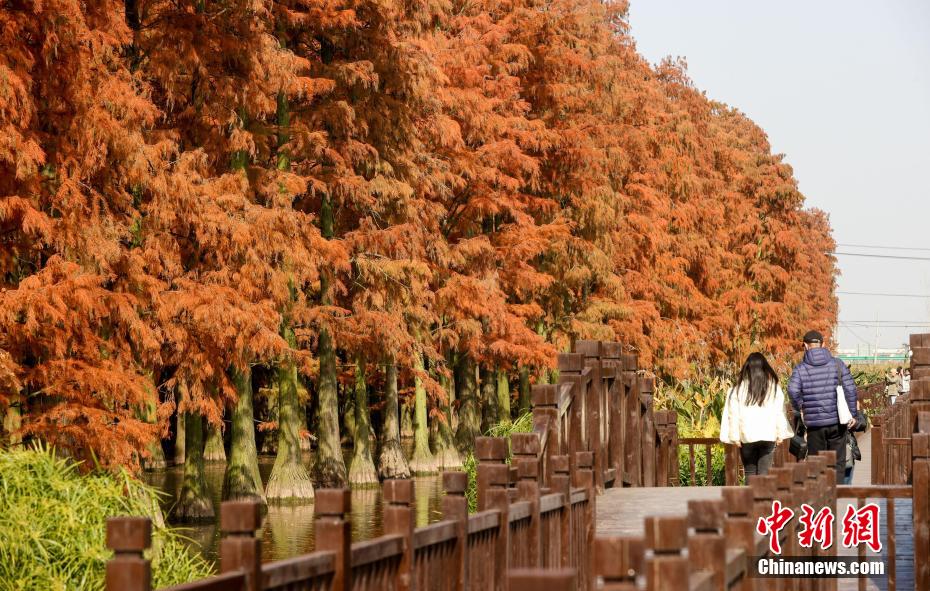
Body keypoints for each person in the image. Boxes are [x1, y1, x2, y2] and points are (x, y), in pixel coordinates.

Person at [788, 330, 858, 481]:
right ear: (823, 344)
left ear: (805, 346)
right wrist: (852, 414)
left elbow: (792, 390)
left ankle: (819, 497)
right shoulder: (837, 364)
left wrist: (801, 406)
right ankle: (837, 495)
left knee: (816, 464)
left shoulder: (800, 369)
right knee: (838, 462)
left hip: (815, 424)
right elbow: (850, 389)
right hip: (837, 421)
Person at [719, 352, 794, 476]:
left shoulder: (737, 390)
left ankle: (750, 496)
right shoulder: (774, 389)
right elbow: (779, 413)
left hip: (747, 437)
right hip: (768, 435)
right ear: (765, 368)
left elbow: (733, 415)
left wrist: (735, 437)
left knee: (750, 472)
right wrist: (780, 434)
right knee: (765, 473)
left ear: (747, 368)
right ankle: (763, 496)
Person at [843, 401, 868, 484]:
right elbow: (862, 424)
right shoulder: (845, 399)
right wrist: (858, 410)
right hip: (845, 449)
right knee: (846, 484)